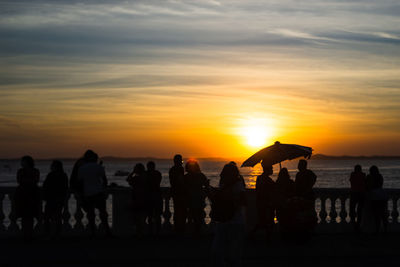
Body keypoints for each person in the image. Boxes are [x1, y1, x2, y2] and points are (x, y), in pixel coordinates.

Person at [212, 162, 247, 267]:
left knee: (223, 248)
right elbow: (243, 201)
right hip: (230, 220)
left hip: (228, 220)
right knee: (231, 249)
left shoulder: (234, 185)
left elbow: (242, 201)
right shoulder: (235, 184)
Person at [77, 151, 111, 237]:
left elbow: (80, 182)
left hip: (88, 193)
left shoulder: (82, 168)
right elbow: (104, 180)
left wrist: (82, 194)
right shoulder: (99, 167)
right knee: (103, 213)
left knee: (91, 214)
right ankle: (107, 231)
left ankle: (93, 232)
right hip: (99, 192)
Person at [14, 156, 41, 241]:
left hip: (31, 196)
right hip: (23, 196)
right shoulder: (22, 171)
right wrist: (29, 181)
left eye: (23, 161)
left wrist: (26, 181)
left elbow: (34, 180)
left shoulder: (34, 171)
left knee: (30, 216)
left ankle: (29, 235)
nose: (21, 163)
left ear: (27, 162)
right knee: (25, 216)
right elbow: (20, 180)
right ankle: (26, 234)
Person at [292, 159, 317, 240]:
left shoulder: (301, 174)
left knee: (305, 216)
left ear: (302, 165)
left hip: (305, 197)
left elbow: (296, 186)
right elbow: (314, 178)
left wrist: (307, 188)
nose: (298, 166)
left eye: (299, 164)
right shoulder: (308, 173)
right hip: (306, 196)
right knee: (307, 216)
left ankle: (305, 234)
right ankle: (307, 233)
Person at [43, 160, 68, 237]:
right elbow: (65, 187)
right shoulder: (63, 175)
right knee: (57, 217)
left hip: (52, 199)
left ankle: (49, 233)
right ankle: (57, 234)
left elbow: (45, 186)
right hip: (59, 199)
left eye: (52, 166)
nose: (51, 167)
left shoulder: (51, 175)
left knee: (48, 217)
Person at [183, 159, 209, 235]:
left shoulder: (186, 177)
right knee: (198, 217)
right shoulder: (201, 175)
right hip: (198, 199)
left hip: (191, 199)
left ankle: (193, 232)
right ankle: (197, 232)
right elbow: (206, 185)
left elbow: (184, 187)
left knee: (192, 216)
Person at [254, 161, 275, 239]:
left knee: (262, 221)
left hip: (260, 203)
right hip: (266, 203)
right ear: (267, 169)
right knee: (267, 222)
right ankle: (268, 239)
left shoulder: (259, 178)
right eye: (271, 168)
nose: (272, 170)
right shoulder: (267, 180)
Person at [127, 163, 149, 237]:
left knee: (137, 218)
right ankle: (141, 233)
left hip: (137, 199)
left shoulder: (137, 178)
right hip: (144, 199)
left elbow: (128, 179)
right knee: (142, 218)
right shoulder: (145, 176)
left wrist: (133, 172)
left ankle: (139, 233)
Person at [366, 165, 388, 233]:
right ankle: (385, 230)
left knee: (377, 215)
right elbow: (380, 184)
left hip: (375, 197)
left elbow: (368, 186)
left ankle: (377, 230)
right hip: (382, 196)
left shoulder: (370, 177)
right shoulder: (380, 176)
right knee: (383, 214)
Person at [275, 167, 295, 237]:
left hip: (280, 205)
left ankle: (283, 235)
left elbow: (276, 194)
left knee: (282, 221)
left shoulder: (277, 182)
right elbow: (293, 192)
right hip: (288, 205)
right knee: (288, 221)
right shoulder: (290, 182)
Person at [169, 154, 186, 233]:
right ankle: (180, 229)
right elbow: (180, 180)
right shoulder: (179, 169)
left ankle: (177, 228)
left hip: (176, 192)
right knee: (181, 211)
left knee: (177, 211)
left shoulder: (172, 169)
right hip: (179, 193)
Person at [146, 161, 163, 235]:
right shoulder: (157, 174)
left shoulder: (147, 174)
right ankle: (154, 231)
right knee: (152, 216)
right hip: (154, 197)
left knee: (155, 216)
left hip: (154, 197)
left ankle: (155, 231)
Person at [349, 165, 366, 232]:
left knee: (352, 211)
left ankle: (355, 225)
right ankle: (358, 225)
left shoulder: (353, 174)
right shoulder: (363, 175)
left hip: (354, 194)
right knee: (359, 211)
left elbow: (351, 182)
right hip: (361, 194)